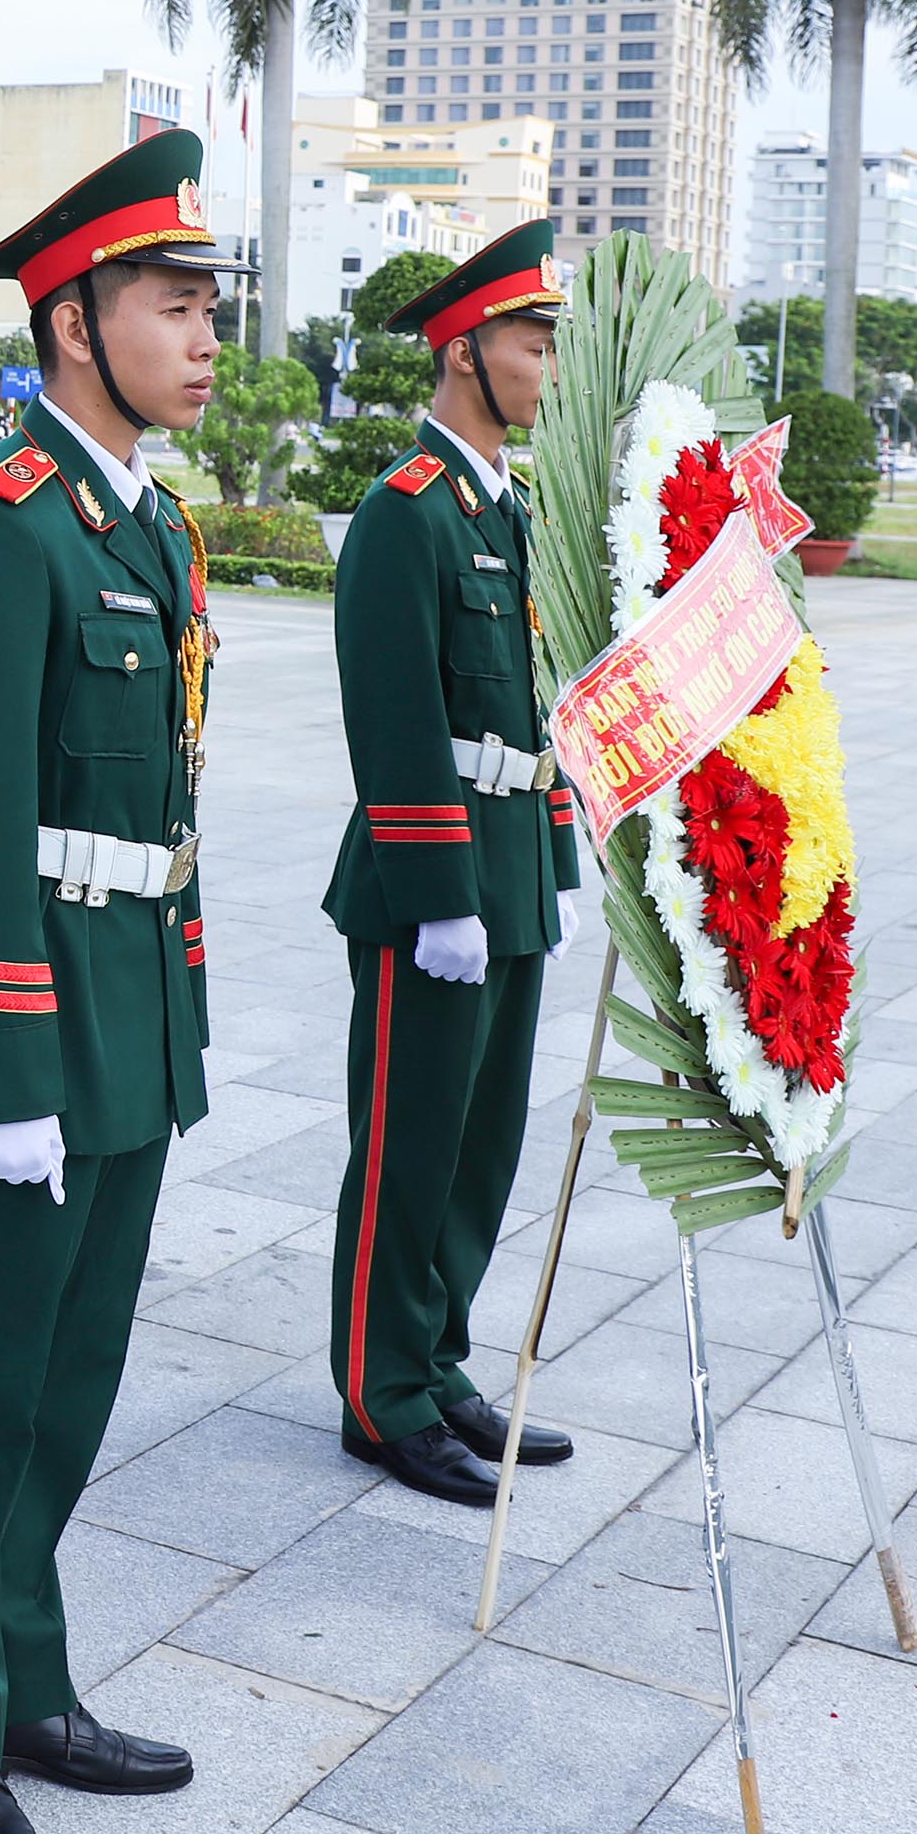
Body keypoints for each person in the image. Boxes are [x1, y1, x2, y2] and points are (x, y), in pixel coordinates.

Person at [0, 133, 232, 1834]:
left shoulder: (142, 518)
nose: (206, 333)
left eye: (208, 304)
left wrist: (176, 1011)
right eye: (173, 304)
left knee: (67, 1373)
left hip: (125, 1011)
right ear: (74, 321)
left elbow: (156, 796)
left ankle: (22, 1668)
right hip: (21, 1020)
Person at [324, 220, 583, 1508]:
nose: (544, 366)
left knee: (483, 1144)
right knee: (410, 1142)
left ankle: (439, 1362)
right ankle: (382, 1394)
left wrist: (551, 866)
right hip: (432, 885)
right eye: (532, 344)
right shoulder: (405, 513)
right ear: (466, 350)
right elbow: (393, 720)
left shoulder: (509, 507)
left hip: (510, 872)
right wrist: (440, 897)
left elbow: (533, 703)